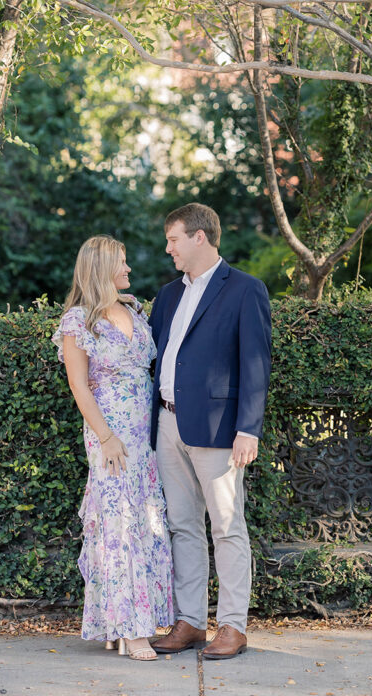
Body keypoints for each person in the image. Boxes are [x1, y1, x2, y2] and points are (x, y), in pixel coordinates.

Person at [149, 203, 271, 660]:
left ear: (200, 237)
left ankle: (233, 627)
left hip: (220, 430)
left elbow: (256, 364)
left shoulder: (244, 290)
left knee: (226, 526)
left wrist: (248, 429)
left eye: (174, 239)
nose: (169, 249)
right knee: (182, 526)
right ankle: (191, 622)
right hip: (167, 423)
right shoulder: (167, 296)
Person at [53, 235, 174, 660]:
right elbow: (78, 385)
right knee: (117, 526)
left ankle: (122, 622)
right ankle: (132, 630)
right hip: (110, 435)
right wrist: (106, 436)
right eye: (121, 263)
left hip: (145, 436)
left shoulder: (135, 311)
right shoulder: (79, 320)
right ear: (101, 268)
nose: (128, 270)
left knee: (144, 522)